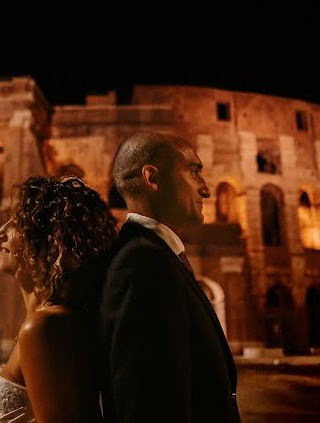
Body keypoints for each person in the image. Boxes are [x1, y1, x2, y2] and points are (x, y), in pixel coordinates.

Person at [99, 131, 241, 422]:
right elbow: (148, 406)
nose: (206, 190)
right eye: (193, 172)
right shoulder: (141, 264)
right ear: (152, 178)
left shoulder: (155, 257)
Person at [0, 175, 117, 423]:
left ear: (48, 239)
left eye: (17, 223)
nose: (1, 232)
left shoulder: (45, 327)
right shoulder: (50, 321)